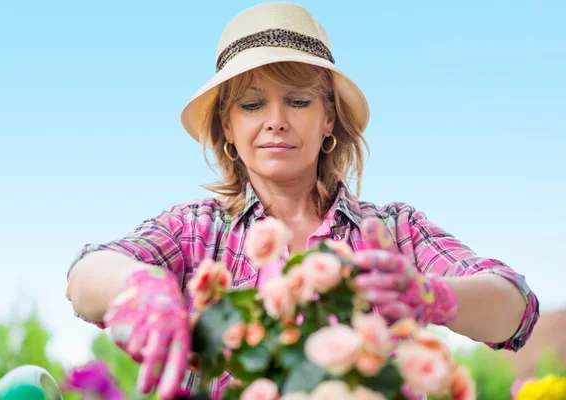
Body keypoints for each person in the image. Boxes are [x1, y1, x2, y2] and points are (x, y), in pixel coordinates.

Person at [65, 3, 540, 400]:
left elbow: (514, 309)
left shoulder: (394, 231)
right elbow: (87, 276)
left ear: (329, 118)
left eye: (297, 101)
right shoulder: (197, 230)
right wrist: (144, 287)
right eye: (252, 105)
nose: (275, 120)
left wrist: (432, 297)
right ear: (228, 128)